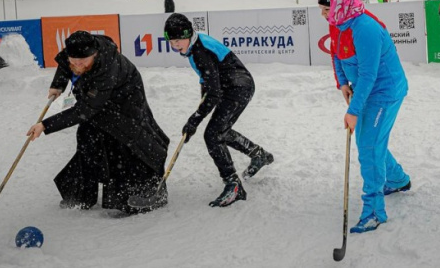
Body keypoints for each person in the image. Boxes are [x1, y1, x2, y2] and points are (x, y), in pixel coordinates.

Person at [26, 31, 170, 215]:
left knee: (125, 144)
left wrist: (45, 125)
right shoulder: (77, 52)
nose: (77, 65)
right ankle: (80, 194)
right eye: (74, 61)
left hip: (124, 104)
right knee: (88, 139)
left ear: (94, 54)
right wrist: (58, 84)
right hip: (97, 101)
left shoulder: (107, 70)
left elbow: (85, 110)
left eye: (83, 61)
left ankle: (141, 195)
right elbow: (65, 62)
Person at [318, 0, 411, 233]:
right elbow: (335, 54)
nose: (324, 15)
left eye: (327, 9)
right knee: (370, 141)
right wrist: (342, 84)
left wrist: (353, 111)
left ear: (338, 5)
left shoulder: (366, 28)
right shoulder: (337, 21)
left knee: (368, 145)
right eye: (321, 10)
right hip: (363, 88)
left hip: (384, 91)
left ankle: (373, 211)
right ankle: (397, 179)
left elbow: (370, 74)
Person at [164, 13, 274, 207]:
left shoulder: (199, 52)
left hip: (238, 87)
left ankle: (233, 185)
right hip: (232, 86)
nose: (176, 44)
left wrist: (195, 120)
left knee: (213, 134)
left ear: (189, 34)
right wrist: (200, 110)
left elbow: (213, 91)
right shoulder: (193, 47)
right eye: (172, 41)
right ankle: (258, 154)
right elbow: (207, 84)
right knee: (219, 129)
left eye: (179, 40)